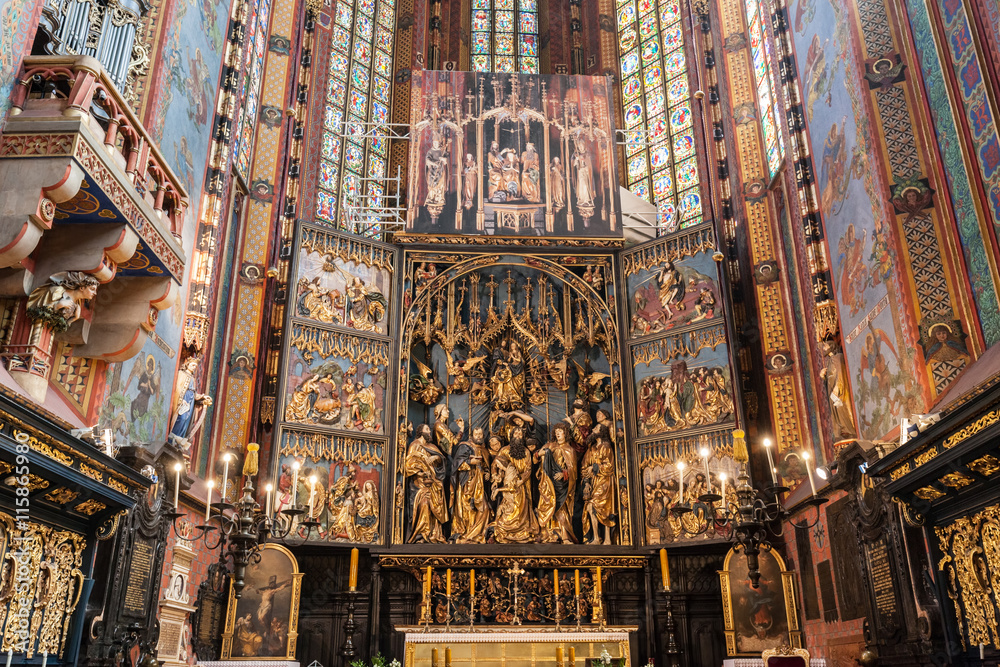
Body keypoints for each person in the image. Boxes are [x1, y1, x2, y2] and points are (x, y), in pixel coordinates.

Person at [404, 424, 449, 543]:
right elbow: (408, 464)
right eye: (427, 430)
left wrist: (435, 458)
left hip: (433, 481)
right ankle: (422, 534)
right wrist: (419, 473)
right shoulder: (414, 445)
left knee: (435, 505)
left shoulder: (432, 446)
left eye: (429, 430)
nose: (429, 432)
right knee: (425, 503)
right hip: (419, 483)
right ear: (420, 431)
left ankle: (434, 535)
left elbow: (442, 461)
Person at [535, 423, 578, 543]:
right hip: (548, 482)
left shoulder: (570, 450)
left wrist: (564, 473)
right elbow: (535, 457)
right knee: (548, 507)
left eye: (561, 431)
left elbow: (573, 471)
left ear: (566, 434)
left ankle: (564, 536)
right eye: (556, 431)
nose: (558, 433)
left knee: (561, 509)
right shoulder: (550, 445)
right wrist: (541, 454)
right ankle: (548, 535)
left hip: (562, 485)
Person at [450, 427, 492, 543]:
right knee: (467, 510)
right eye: (476, 434)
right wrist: (469, 462)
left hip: (479, 485)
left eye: (480, 434)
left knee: (484, 509)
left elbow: (485, 466)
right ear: (471, 435)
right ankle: (466, 534)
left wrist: (487, 473)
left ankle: (476, 534)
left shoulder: (484, 450)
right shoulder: (464, 446)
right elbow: (456, 465)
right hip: (466, 484)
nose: (479, 436)